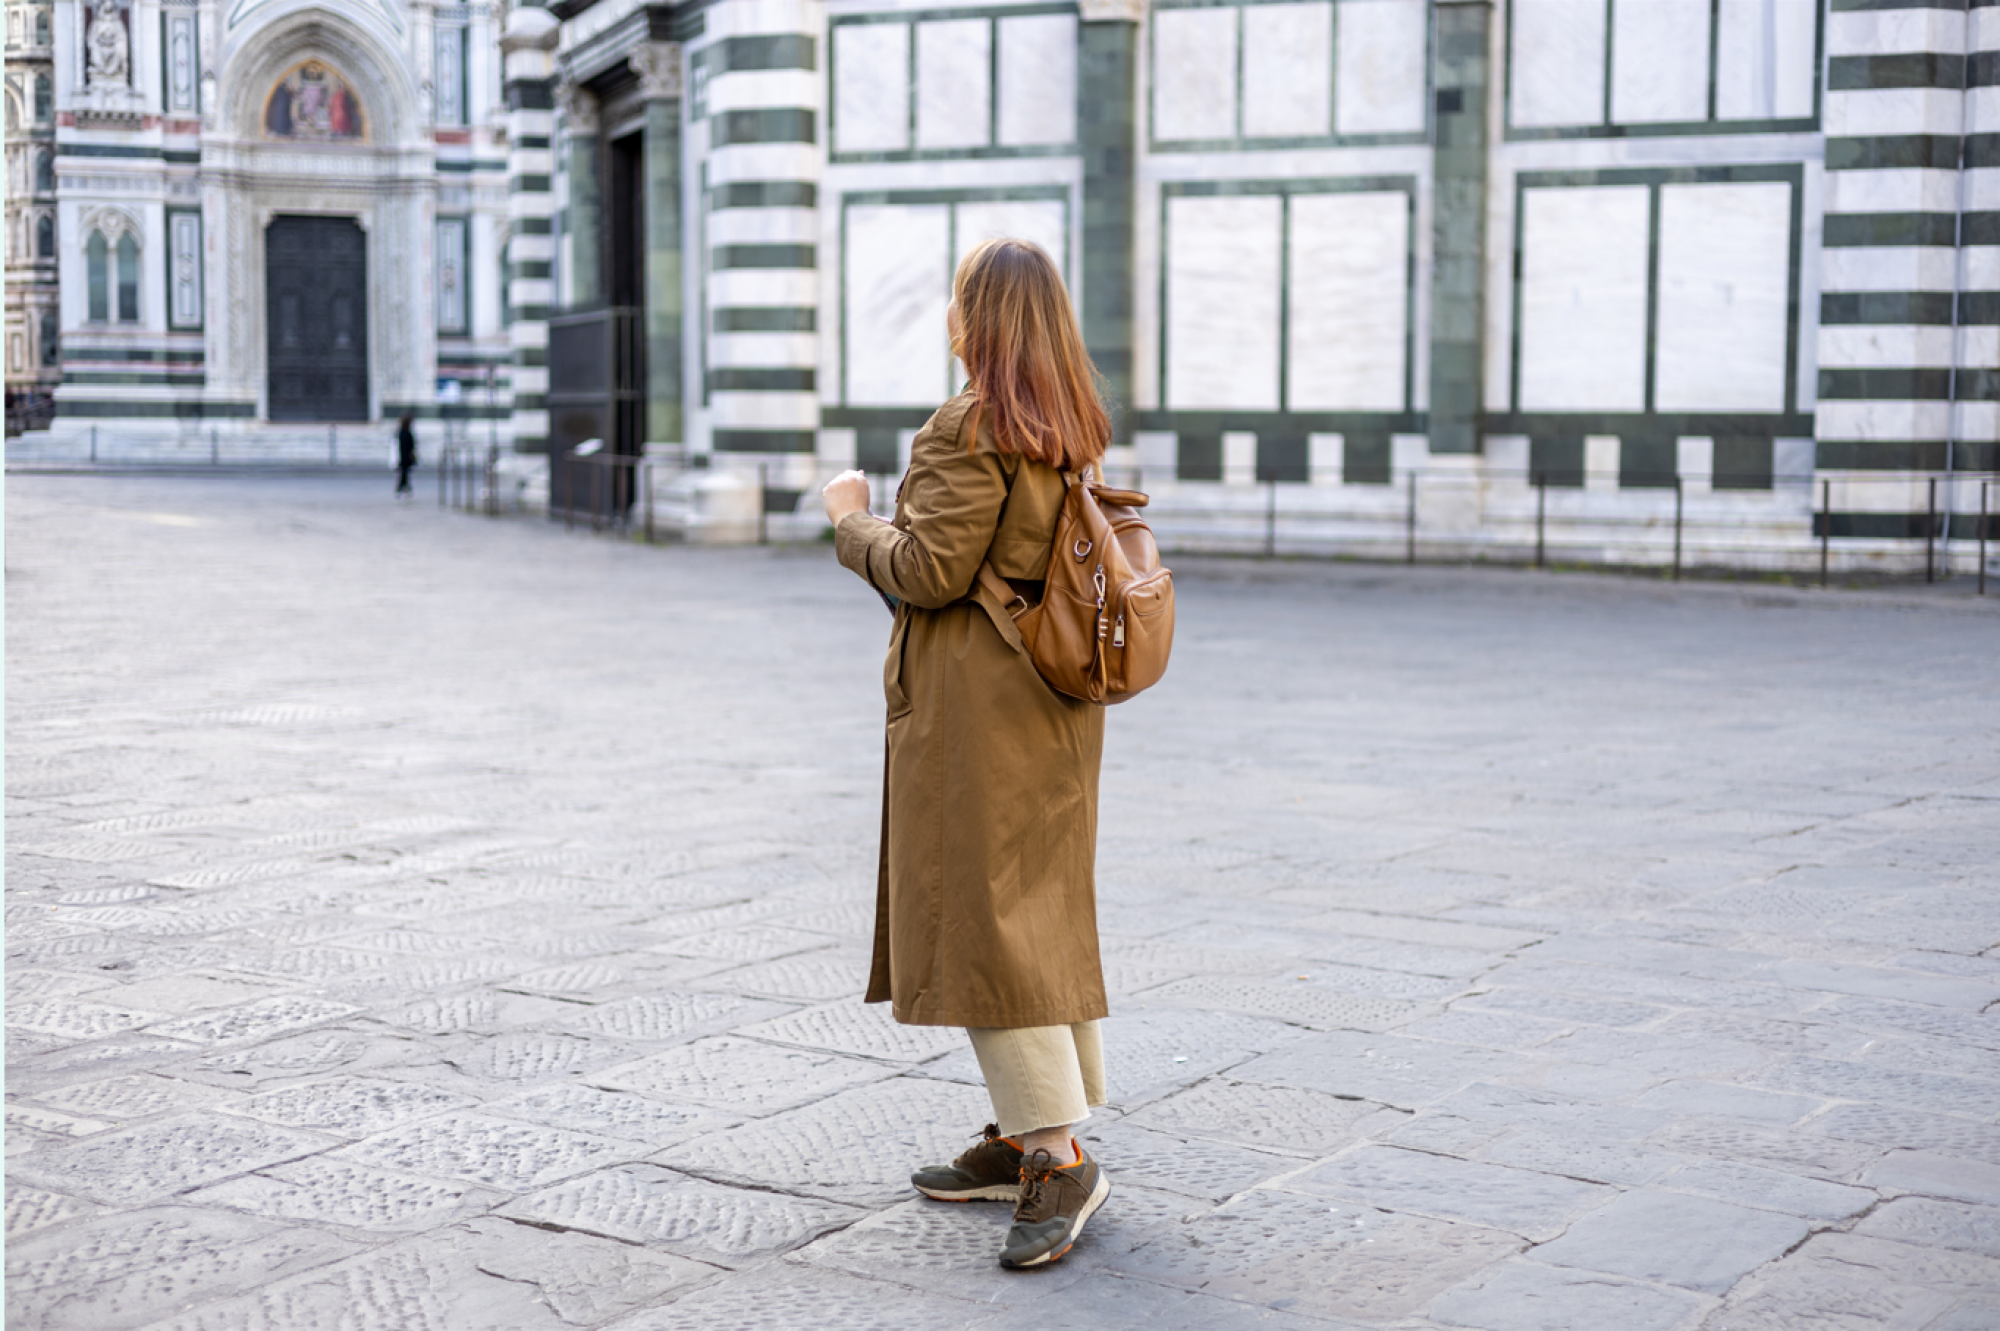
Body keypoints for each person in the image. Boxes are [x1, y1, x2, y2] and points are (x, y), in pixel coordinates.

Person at [822, 237, 1113, 1270]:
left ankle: (1054, 1152)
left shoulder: (967, 423)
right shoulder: (1067, 418)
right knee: (1036, 904)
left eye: (956, 300)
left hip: (977, 711)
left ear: (975, 319)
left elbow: (929, 570)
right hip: (1052, 701)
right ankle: (1034, 1124)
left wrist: (851, 519)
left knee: (987, 925)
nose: (946, 314)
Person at [394, 413, 416, 499]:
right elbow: (412, 445)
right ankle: (404, 490)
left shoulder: (400, 432)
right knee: (404, 474)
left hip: (402, 456)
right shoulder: (407, 433)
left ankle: (403, 490)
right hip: (405, 457)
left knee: (404, 474)